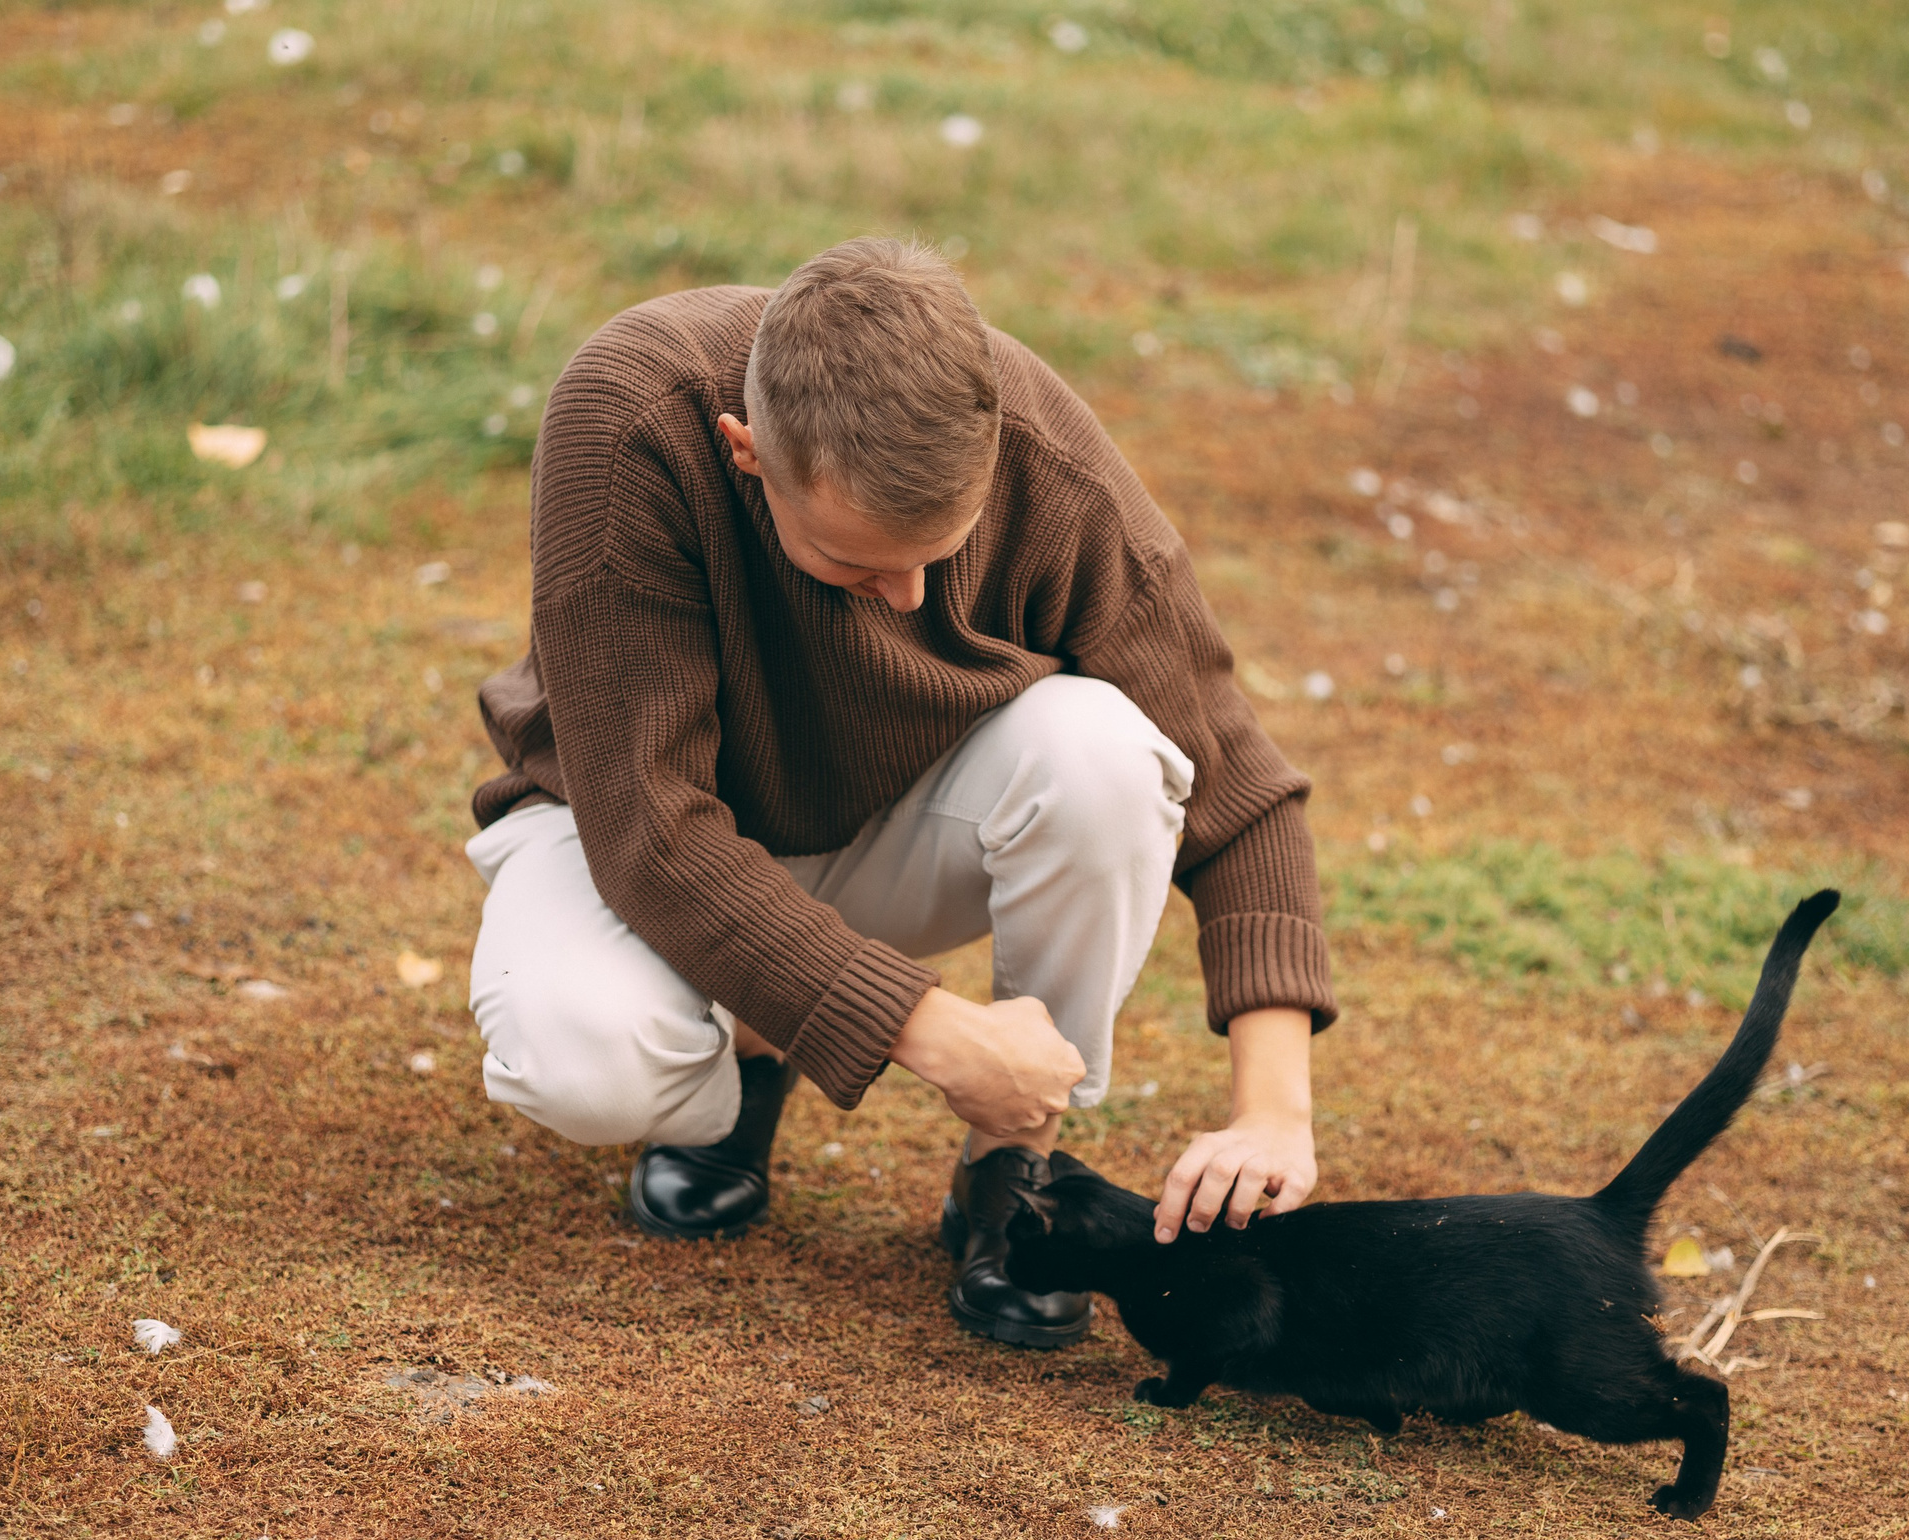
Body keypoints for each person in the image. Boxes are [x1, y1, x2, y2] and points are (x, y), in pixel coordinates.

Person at [465, 237, 1335, 1348]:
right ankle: (749, 1049)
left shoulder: (1041, 455)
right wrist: (929, 1030)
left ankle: (1012, 1165)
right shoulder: (628, 417)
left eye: (941, 552)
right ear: (746, 455)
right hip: (620, 830)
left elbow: (1239, 791)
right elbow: (652, 830)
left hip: (890, 825)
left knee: (1106, 754)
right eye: (854, 565)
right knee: (576, 1057)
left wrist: (1272, 1114)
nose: (908, 597)